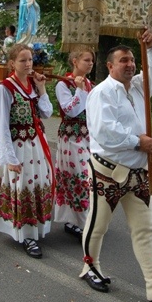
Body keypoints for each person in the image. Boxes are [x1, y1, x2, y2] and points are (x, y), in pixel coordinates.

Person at [80, 31, 152, 302]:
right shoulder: (100, 93)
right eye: (123, 60)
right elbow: (104, 132)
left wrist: (151, 48)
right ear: (110, 66)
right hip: (108, 171)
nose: (130, 64)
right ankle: (90, 267)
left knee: (144, 229)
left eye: (132, 60)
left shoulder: (140, 85)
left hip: (138, 173)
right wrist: (137, 142)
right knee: (99, 225)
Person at [0, 43, 53, 259]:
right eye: (23, 60)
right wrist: (8, 157)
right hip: (17, 145)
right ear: (12, 63)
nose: (28, 64)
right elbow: (2, 125)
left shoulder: (32, 84)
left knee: (36, 184)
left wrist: (42, 89)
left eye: (30, 60)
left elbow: (46, 113)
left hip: (36, 144)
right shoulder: (5, 88)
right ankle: (26, 234)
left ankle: (34, 226)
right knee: (20, 184)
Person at [54, 44, 94, 239]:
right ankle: (78, 221)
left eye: (92, 60)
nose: (90, 63)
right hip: (71, 137)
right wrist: (79, 91)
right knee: (79, 178)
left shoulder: (91, 84)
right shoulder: (64, 84)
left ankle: (80, 220)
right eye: (86, 60)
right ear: (75, 61)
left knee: (89, 179)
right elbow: (70, 110)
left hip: (87, 137)